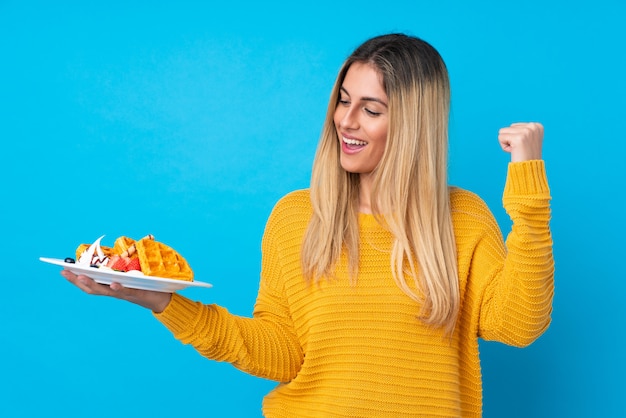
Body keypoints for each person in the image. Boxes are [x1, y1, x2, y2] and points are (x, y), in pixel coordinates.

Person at [61, 33, 554, 417]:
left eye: (371, 109)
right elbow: (282, 352)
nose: (347, 120)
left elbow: (517, 325)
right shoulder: (298, 217)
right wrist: (162, 301)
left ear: (413, 124)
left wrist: (529, 194)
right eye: (343, 100)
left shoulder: (462, 220)